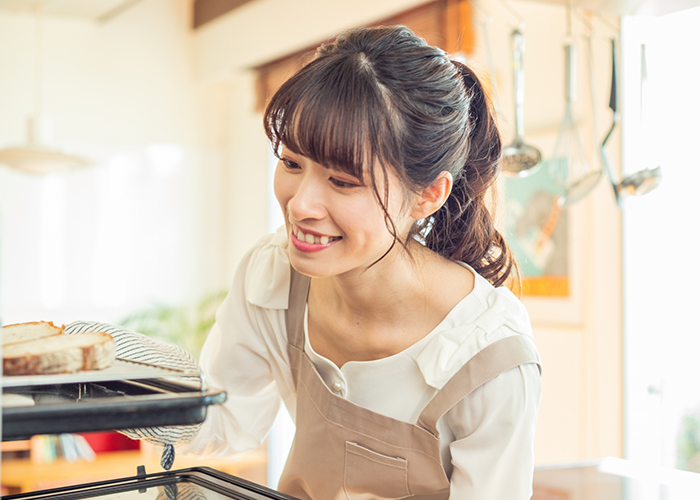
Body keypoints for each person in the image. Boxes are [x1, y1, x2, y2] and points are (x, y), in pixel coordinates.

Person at [71, 24, 542, 500]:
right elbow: (227, 417)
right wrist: (103, 379)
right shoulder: (275, 274)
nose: (300, 205)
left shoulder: (489, 358)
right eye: (292, 163)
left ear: (428, 194)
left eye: (342, 181)